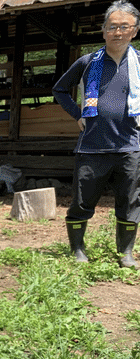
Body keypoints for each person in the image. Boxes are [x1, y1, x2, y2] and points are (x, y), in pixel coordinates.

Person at [52, 0, 140, 268]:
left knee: (130, 202)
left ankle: (126, 253)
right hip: (92, 146)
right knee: (81, 201)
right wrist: (77, 115)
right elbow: (60, 90)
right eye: (112, 26)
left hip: (130, 146)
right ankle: (77, 249)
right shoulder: (88, 62)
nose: (118, 32)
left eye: (124, 26)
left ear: (134, 31)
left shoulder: (139, 64)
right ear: (103, 31)